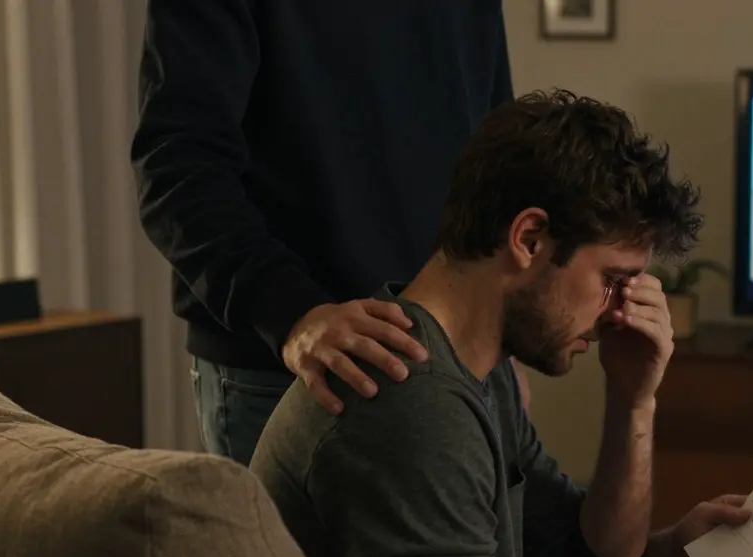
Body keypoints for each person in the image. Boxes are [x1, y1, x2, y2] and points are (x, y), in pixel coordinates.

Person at [251, 90, 753, 557]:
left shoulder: (475, 366)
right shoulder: (408, 402)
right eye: (611, 279)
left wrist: (635, 399)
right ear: (528, 239)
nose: (618, 312)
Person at [131, 1, 519, 466]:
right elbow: (176, 165)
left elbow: (496, 153)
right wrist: (293, 312)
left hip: (456, 355)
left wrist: (502, 330)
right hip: (293, 367)